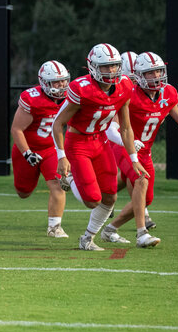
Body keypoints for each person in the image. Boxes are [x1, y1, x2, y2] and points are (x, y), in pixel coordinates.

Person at [53, 43, 149, 251]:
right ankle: (69, 178)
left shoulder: (124, 86)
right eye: (105, 67)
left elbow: (125, 128)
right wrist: (61, 156)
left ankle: (87, 238)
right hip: (78, 143)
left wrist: (134, 159)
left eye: (114, 66)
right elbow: (58, 123)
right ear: (93, 67)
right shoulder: (82, 89)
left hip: (101, 142)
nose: (111, 71)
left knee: (110, 196)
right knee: (92, 200)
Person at [100, 52, 178, 247]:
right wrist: (124, 141)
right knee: (141, 179)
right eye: (150, 73)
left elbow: (175, 112)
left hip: (145, 151)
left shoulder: (168, 91)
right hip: (124, 146)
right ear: (138, 75)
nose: (156, 76)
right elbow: (112, 126)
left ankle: (110, 229)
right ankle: (141, 233)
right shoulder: (129, 93)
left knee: (147, 199)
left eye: (159, 71)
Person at [10, 60, 71, 238]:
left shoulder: (71, 97)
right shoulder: (32, 98)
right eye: (56, 82)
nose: (61, 86)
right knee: (23, 192)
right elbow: (17, 129)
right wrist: (27, 153)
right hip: (28, 149)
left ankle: (54, 227)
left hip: (52, 148)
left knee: (58, 184)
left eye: (64, 81)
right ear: (44, 83)